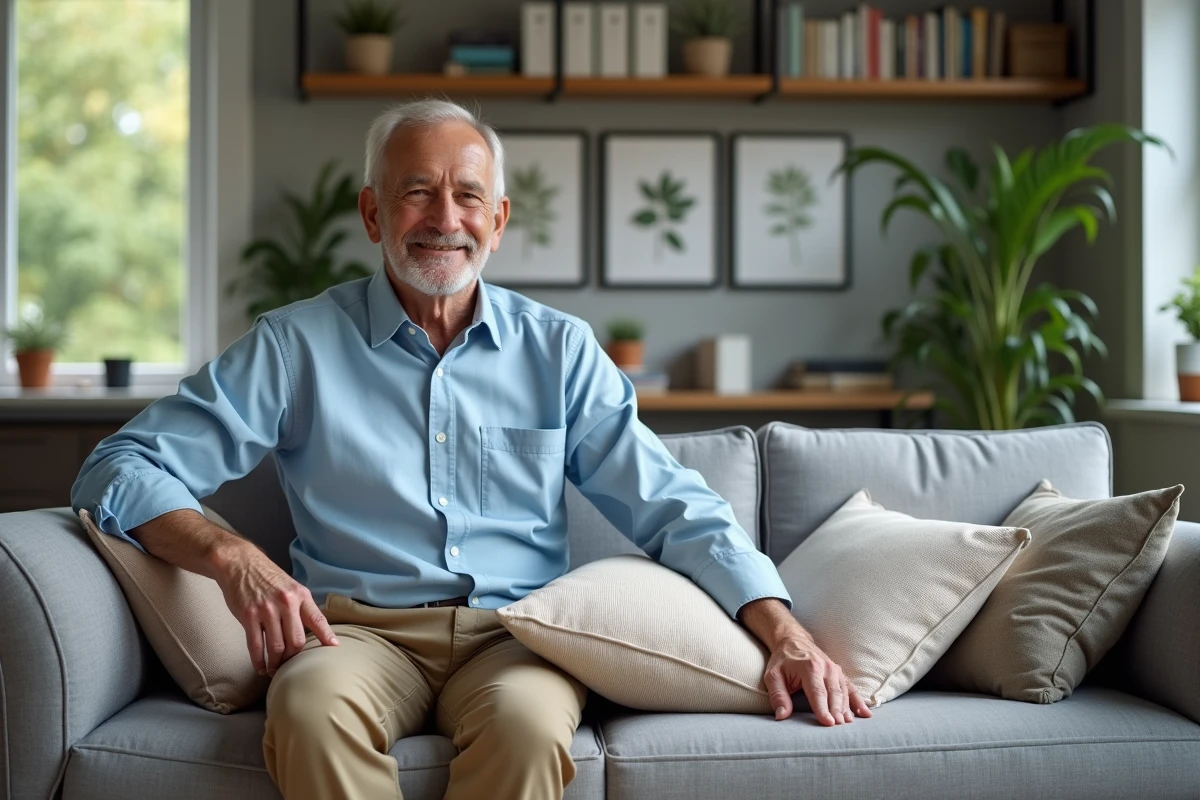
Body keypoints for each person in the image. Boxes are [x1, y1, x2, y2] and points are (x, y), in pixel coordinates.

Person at [71, 99, 871, 800]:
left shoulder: (558, 351)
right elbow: (119, 467)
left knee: (529, 728)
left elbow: (672, 504)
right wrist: (235, 559)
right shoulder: (294, 345)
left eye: (467, 196)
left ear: (498, 219)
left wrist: (785, 634)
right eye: (416, 191)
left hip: (515, 636)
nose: (443, 219)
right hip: (353, 633)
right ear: (374, 213)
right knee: (310, 714)